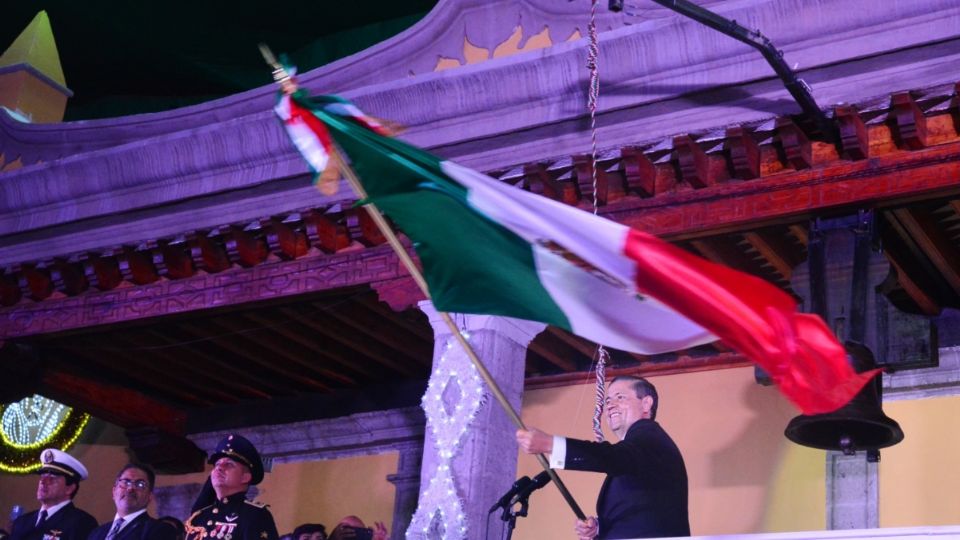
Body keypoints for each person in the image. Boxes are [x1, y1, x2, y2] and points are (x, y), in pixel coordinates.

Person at [516, 376, 690, 539]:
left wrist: (550, 444)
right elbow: (638, 510)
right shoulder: (637, 452)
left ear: (646, 404)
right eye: (607, 401)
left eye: (620, 397)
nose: (610, 406)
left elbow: (612, 457)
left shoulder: (649, 436)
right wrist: (600, 527)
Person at [184, 435, 278, 540]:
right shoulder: (199, 517)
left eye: (229, 464)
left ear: (245, 477)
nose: (219, 468)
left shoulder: (254, 515)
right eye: (217, 464)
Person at [9, 449, 98, 540]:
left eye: (52, 478)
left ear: (70, 488)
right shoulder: (22, 522)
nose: (43, 482)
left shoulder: (82, 523)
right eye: (42, 476)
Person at [88, 464, 175, 540]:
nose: (130, 489)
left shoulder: (160, 531)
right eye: (125, 482)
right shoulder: (97, 532)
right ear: (114, 492)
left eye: (140, 484)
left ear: (150, 496)